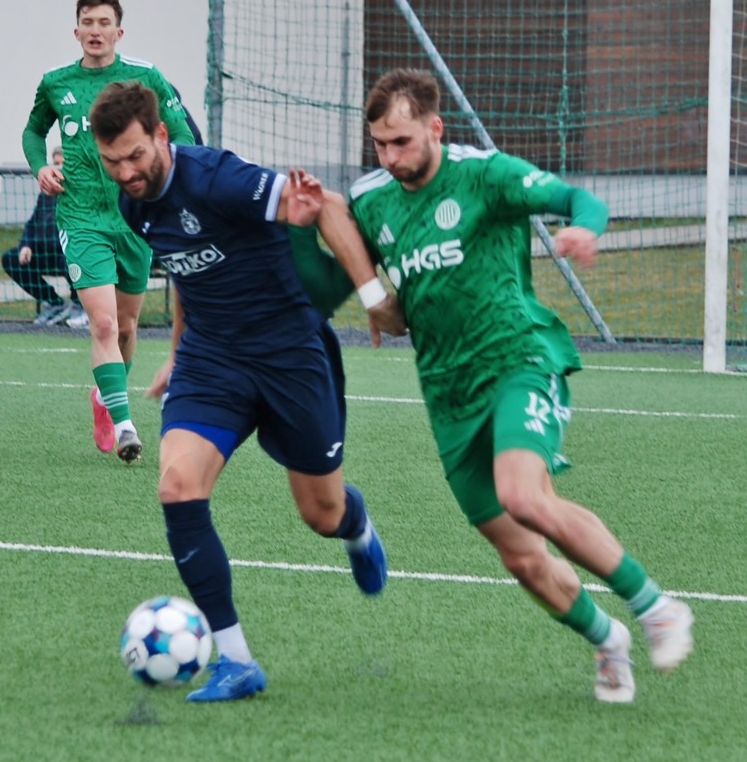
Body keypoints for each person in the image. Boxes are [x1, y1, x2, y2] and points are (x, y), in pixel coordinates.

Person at [291, 67, 694, 704]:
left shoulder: (486, 174)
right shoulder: (371, 198)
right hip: (448, 394)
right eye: (380, 145)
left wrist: (585, 228)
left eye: (401, 142)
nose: (390, 157)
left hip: (518, 360)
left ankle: (656, 608)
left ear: (435, 128)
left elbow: (580, 199)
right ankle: (608, 638)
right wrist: (304, 229)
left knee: (524, 496)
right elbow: (327, 287)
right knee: (521, 558)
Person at [89, 81, 405, 703]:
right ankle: (235, 661)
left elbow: (326, 204)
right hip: (212, 361)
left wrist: (373, 296)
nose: (125, 172)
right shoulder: (134, 203)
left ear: (161, 135)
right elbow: (189, 272)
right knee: (177, 486)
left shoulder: (218, 178)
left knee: (321, 514)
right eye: (112, 162)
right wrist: (177, 353)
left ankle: (357, 526)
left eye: (135, 156)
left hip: (289, 355)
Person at [22, 0, 198, 463]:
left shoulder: (145, 78)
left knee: (126, 326)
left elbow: (181, 133)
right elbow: (33, 131)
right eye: (87, 22)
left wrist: (169, 177)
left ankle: (105, 396)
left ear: (119, 32)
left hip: (135, 217)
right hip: (80, 217)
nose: (95, 30)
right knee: (102, 323)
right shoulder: (56, 82)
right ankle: (125, 426)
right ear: (76, 30)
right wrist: (41, 167)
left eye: (104, 23)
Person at [1, 146, 83, 326]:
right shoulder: (46, 193)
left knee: (74, 258)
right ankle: (54, 303)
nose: (59, 168)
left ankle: (81, 305)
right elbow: (33, 222)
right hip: (45, 251)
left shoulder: (80, 192)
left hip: (68, 252)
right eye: (56, 163)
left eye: (63, 164)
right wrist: (26, 245)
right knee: (11, 258)